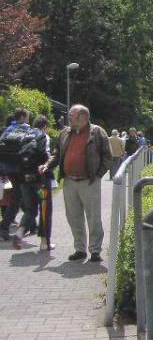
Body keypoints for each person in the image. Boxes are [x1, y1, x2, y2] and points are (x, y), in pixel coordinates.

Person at [43, 104, 111, 262]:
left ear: (83, 117)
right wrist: (47, 165)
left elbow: (107, 157)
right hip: (69, 182)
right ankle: (80, 249)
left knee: (94, 217)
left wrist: (98, 175)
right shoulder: (65, 132)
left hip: (89, 182)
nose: (69, 118)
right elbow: (57, 153)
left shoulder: (98, 132)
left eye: (71, 116)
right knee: (73, 217)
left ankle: (95, 250)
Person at [0, 108, 48, 249]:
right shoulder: (28, 130)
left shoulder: (7, 130)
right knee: (18, 198)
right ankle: (4, 227)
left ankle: (31, 225)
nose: (28, 120)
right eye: (27, 117)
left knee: (20, 196)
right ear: (22, 117)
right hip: (21, 168)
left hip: (8, 169)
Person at [32, 116, 56, 250]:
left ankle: (22, 230)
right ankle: (44, 242)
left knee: (31, 208)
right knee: (45, 208)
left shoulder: (27, 134)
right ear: (45, 127)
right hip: (42, 179)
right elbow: (45, 156)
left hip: (27, 180)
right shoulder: (43, 137)